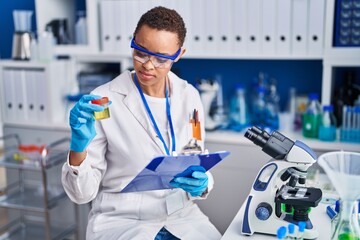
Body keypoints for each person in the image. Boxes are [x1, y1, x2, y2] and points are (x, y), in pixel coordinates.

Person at [61, 6, 221, 240]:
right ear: (133, 42)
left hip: (182, 216)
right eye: (141, 52)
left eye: (160, 59)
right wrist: (78, 148)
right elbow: (81, 194)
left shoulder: (189, 96)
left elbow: (195, 155)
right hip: (122, 221)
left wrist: (203, 182)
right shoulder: (105, 100)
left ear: (178, 54)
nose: (148, 65)